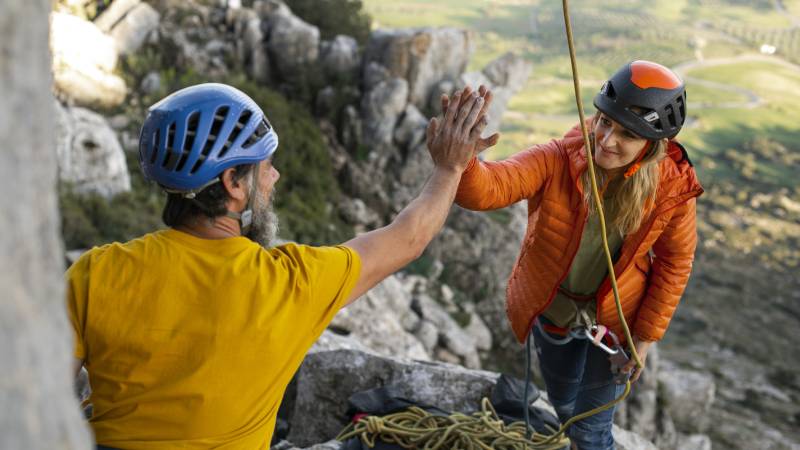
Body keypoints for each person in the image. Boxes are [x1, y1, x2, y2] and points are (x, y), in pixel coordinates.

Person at [66, 82, 495, 449]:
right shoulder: (290, 283)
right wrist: (449, 167)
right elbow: (410, 237)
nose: (274, 178)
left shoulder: (96, 272)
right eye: (266, 165)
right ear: (234, 183)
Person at [451, 61, 703, 450]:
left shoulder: (672, 189)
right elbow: (489, 188)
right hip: (555, 312)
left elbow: (675, 262)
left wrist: (644, 338)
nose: (607, 140)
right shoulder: (560, 158)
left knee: (590, 432)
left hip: (616, 325)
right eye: (604, 122)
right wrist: (463, 162)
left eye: (627, 134)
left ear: (652, 146)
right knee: (565, 403)